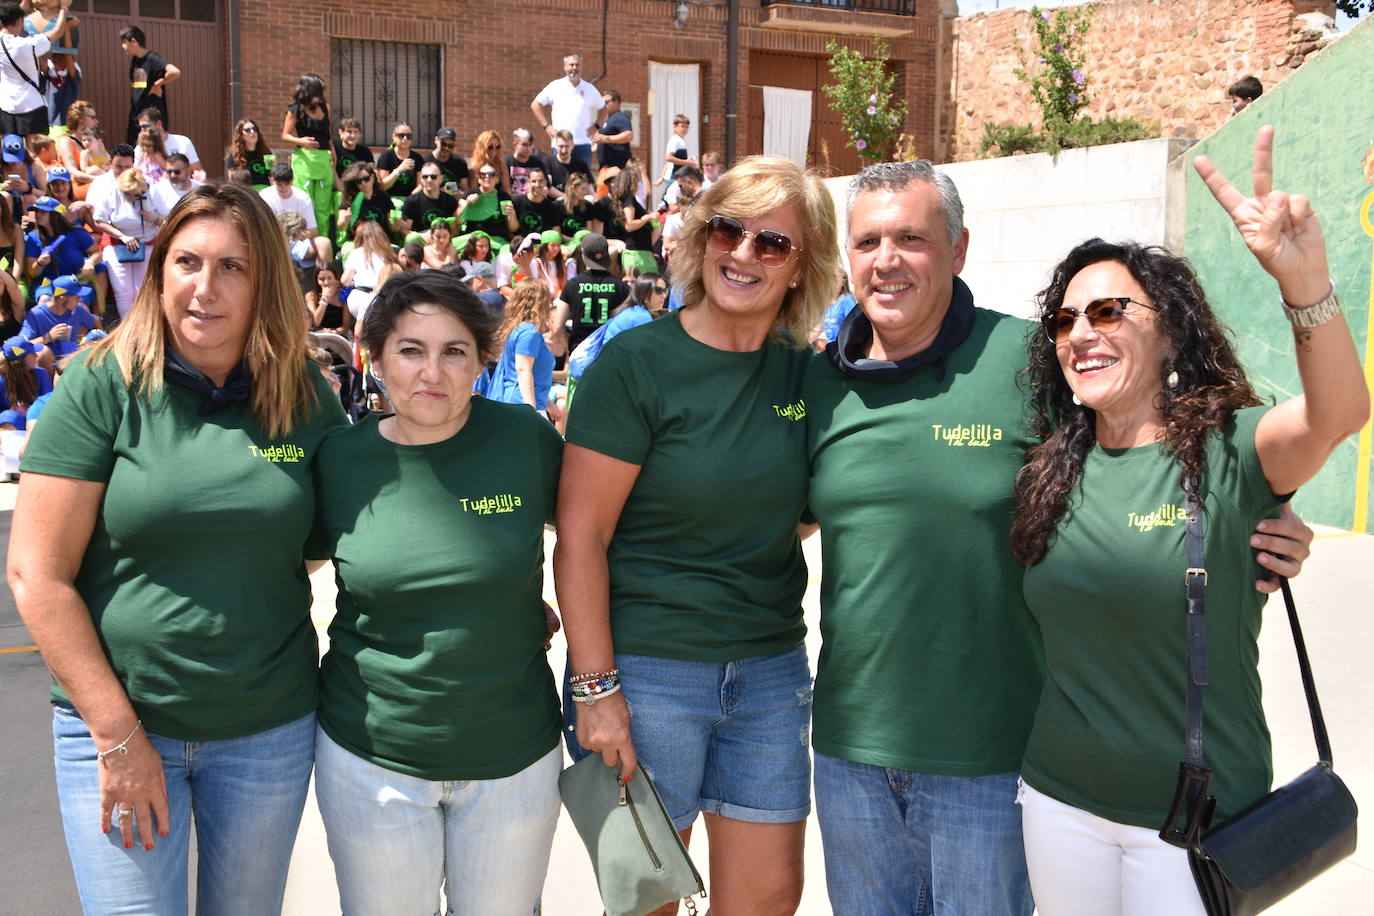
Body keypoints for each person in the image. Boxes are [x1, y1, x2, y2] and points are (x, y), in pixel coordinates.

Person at [801, 158, 1319, 915]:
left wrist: (1265, 516)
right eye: (868, 240)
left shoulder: (1029, 360)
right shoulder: (818, 383)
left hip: (993, 757)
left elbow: (1141, 442)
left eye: (911, 238)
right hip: (849, 751)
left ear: (959, 249)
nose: (887, 260)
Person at [1011, 128, 1367, 914]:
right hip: (1059, 800)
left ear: (1170, 329)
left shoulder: (1231, 449)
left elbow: (1340, 413)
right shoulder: (1047, 469)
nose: (1081, 333)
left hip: (1194, 821)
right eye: (1065, 321)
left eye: (1107, 309)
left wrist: (1305, 282)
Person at [10, 182, 347, 913]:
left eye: (233, 267)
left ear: (265, 285)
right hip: (124, 724)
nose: (205, 287)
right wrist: (118, 735)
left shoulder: (305, 398)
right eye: (187, 262)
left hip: (267, 732)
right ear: (158, 270)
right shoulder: (102, 383)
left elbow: (337, 538)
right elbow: (36, 574)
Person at [556, 156, 839, 916]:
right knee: (646, 901)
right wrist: (596, 689)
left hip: (771, 674)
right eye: (729, 229)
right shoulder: (637, 364)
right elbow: (579, 537)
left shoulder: (805, 376)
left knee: (769, 899)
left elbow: (806, 508)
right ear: (701, 236)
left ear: (802, 265)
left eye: (772, 244)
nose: (743, 254)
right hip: (647, 677)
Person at [309, 270, 562, 914]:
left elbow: (598, 545)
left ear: (482, 359)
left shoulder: (525, 440)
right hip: (373, 757)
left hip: (513, 757)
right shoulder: (338, 459)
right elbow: (276, 567)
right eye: (410, 350)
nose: (433, 372)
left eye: (455, 351)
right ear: (374, 358)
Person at [91, 167, 166, 318]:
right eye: (127, 195)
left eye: (136, 195)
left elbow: (168, 219)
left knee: (142, 290)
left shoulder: (154, 191)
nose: (131, 198)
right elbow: (99, 220)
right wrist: (122, 236)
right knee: (123, 292)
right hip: (118, 243)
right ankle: (128, 328)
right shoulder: (111, 191)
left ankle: (143, 327)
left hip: (147, 243)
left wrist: (155, 218)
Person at [488, 278, 557, 413]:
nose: (550, 304)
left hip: (518, 402)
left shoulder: (518, 329)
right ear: (540, 302)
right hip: (521, 404)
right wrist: (530, 410)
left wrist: (549, 404)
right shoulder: (529, 333)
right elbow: (522, 370)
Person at [0, 1, 68, 137]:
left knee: (12, 148)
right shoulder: (28, 44)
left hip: (6, 104)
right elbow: (58, 31)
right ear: (19, 21)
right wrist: (64, 8)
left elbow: (11, 16)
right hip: (31, 103)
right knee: (35, 147)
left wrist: (24, 3)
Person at [281, 73, 335, 234]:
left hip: (323, 158)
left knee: (323, 205)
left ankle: (324, 246)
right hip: (305, 159)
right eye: (319, 89)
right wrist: (302, 141)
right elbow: (285, 135)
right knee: (305, 202)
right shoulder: (296, 108)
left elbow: (327, 134)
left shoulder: (325, 106)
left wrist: (333, 152)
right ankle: (303, 242)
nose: (321, 93)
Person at [557, 232, 627, 351]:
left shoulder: (572, 285)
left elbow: (557, 327)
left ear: (583, 255)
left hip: (580, 352)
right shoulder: (621, 287)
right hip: (610, 353)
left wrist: (571, 350)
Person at [530, 52, 603, 164]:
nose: (574, 68)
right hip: (561, 144)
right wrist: (547, 126)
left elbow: (603, 108)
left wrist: (596, 126)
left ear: (581, 67)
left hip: (582, 143)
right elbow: (535, 105)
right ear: (565, 67)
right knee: (560, 178)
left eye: (577, 65)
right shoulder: (555, 86)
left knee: (583, 179)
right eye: (571, 65)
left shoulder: (589, 89)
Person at [118, 26, 177, 144]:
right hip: (136, 115)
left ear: (133, 42)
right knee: (134, 151)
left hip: (151, 117)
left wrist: (157, 84)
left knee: (153, 150)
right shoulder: (135, 60)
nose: (122, 46)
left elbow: (175, 72)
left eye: (124, 42)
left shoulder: (153, 59)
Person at [0, 332, 51, 427]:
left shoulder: (41, 374)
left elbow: (48, 403)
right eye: (32, 353)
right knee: (9, 416)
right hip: (10, 427)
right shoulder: (2, 380)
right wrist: (12, 411)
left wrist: (33, 409)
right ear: (20, 360)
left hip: (37, 422)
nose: (36, 356)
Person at [460, 164, 517, 244]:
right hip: (475, 240)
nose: (487, 177)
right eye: (482, 175)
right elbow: (457, 221)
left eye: (491, 175)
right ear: (478, 178)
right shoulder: (469, 194)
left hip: (498, 241)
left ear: (497, 178)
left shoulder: (503, 197)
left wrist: (512, 213)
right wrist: (467, 204)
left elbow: (513, 228)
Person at [135, 108, 200, 176]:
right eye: (140, 127)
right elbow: (134, 170)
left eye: (145, 126)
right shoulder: (141, 147)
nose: (142, 130)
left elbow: (197, 170)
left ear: (158, 124)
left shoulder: (183, 142)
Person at [338, 161, 392, 241]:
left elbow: (392, 227)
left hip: (381, 241)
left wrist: (396, 224)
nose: (363, 183)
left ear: (372, 177)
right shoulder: (350, 199)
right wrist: (345, 220)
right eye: (358, 181)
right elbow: (341, 225)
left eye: (366, 179)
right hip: (357, 241)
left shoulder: (383, 197)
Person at [399, 161, 458, 236]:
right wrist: (422, 236)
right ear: (421, 179)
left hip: (443, 240)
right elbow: (405, 231)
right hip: (420, 240)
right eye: (425, 177)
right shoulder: (412, 201)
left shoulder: (450, 201)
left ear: (441, 178)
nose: (429, 180)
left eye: (433, 177)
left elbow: (454, 230)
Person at [259, 162, 317, 231]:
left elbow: (312, 230)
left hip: (297, 236)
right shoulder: (264, 196)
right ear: (272, 181)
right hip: (273, 235)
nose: (283, 188)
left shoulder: (303, 198)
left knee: (323, 241)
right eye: (279, 184)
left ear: (292, 181)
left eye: (287, 184)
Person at [377, 121, 423, 201]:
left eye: (409, 136)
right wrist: (399, 170)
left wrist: (410, 199)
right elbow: (383, 186)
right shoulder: (386, 156)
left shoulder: (417, 157)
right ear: (394, 136)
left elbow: (420, 185)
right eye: (401, 135)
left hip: (411, 200)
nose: (405, 139)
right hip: (389, 199)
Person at [513, 166, 563, 237]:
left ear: (546, 182)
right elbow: (510, 231)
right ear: (529, 182)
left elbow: (556, 234)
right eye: (533, 181)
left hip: (542, 245)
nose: (537, 185)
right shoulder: (517, 202)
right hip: (522, 245)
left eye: (540, 181)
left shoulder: (551, 207)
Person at [543, 129, 593, 197]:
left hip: (576, 202)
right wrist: (567, 198)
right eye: (561, 146)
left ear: (572, 146)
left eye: (567, 146)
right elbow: (547, 187)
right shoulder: (548, 162)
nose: (563, 150)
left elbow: (590, 189)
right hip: (555, 203)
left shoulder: (581, 165)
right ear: (555, 146)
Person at [225, 118, 272, 189]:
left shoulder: (266, 152)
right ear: (241, 135)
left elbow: (273, 175)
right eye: (247, 130)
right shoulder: (234, 155)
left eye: (254, 129)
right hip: (247, 193)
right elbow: (232, 180)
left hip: (265, 192)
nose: (252, 132)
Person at [592, 88, 632, 170]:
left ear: (616, 102)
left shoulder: (620, 118)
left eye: (606, 102)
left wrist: (607, 139)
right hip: (606, 166)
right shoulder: (609, 119)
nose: (604, 105)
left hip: (616, 166)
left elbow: (628, 136)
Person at [656, 114, 695, 188]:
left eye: (687, 127)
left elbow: (669, 162)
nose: (685, 129)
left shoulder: (680, 140)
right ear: (675, 127)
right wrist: (687, 162)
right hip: (674, 177)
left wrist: (661, 177)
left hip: (677, 176)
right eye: (682, 126)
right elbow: (668, 158)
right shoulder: (675, 140)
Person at [424, 125, 467, 192]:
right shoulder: (425, 162)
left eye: (451, 146)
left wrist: (450, 189)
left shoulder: (460, 162)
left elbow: (464, 189)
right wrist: (440, 190)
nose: (446, 148)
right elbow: (421, 187)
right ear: (436, 140)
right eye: (443, 144)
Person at [468, 129, 509, 193]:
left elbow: (506, 188)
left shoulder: (501, 163)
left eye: (497, 146)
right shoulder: (475, 165)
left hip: (498, 198)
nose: (494, 149)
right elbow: (473, 190)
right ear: (482, 147)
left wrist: (508, 200)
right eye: (490, 146)